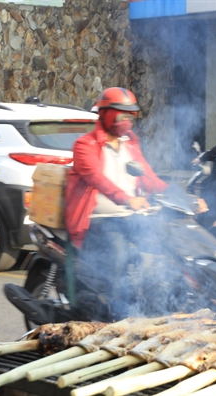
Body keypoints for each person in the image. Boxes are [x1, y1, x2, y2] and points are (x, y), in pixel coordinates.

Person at [64, 87, 168, 320]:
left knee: (164, 247)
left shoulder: (130, 145)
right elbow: (96, 179)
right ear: (105, 114)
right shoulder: (85, 145)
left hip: (130, 215)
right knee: (119, 255)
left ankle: (153, 302)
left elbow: (147, 176)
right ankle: (114, 312)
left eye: (131, 114)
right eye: (121, 114)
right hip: (97, 218)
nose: (127, 120)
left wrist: (179, 196)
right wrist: (127, 199)